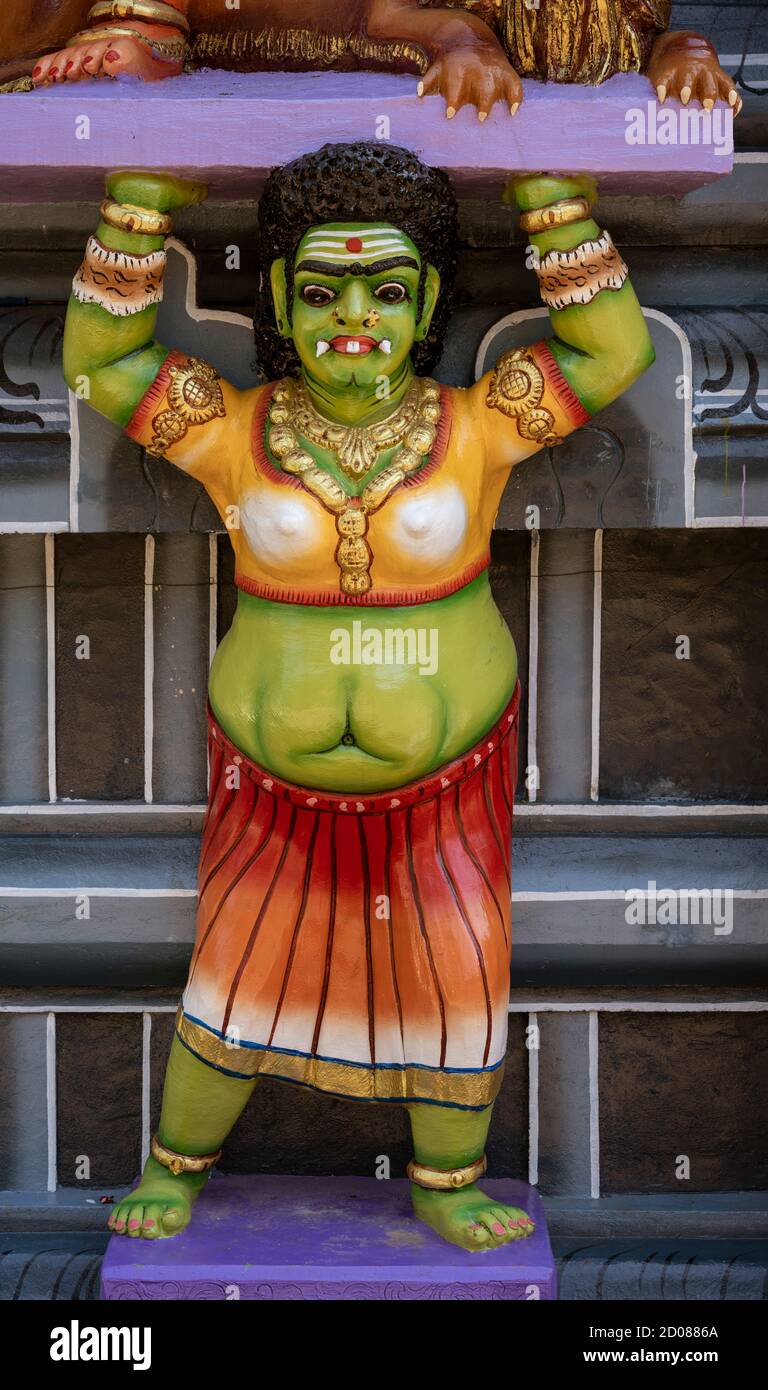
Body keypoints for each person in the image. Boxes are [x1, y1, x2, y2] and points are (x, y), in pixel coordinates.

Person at [63, 141, 654, 1249]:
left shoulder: (476, 431)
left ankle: (445, 1181)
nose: (354, 316)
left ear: (428, 299)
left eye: (386, 289)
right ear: (280, 292)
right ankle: (172, 1171)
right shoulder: (234, 433)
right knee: (229, 978)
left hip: (442, 792)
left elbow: (612, 350)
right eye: (324, 286)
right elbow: (98, 364)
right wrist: (137, 211)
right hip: (271, 797)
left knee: (458, 973)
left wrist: (555, 207)